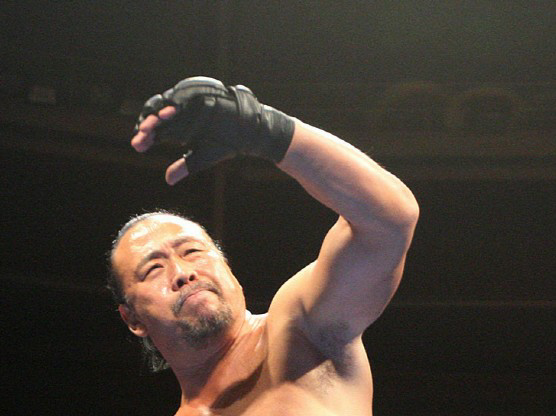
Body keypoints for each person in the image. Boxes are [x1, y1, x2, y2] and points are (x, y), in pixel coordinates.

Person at [108, 77, 419, 415]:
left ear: (227, 268)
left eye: (193, 251)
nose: (183, 272)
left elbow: (389, 221)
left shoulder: (299, 330)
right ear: (132, 319)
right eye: (154, 268)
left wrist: (268, 131)